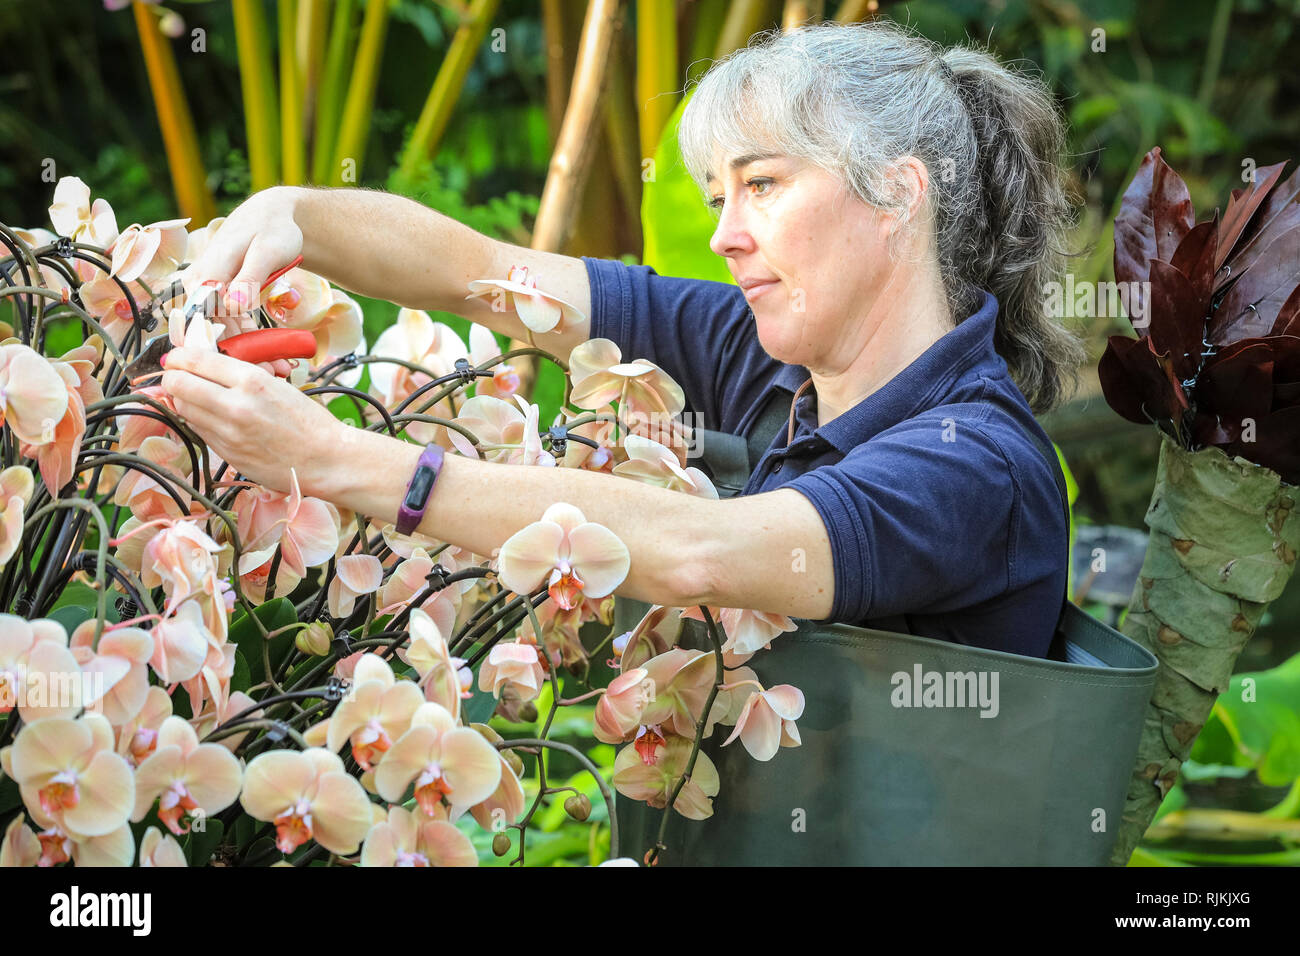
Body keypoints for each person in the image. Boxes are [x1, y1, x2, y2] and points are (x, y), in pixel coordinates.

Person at [163, 19, 1084, 660]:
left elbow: (703, 552)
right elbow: (481, 273)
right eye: (720, 198)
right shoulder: (761, 352)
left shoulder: (976, 463)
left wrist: (335, 458)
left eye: (762, 184)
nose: (726, 234)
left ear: (899, 194)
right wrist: (293, 216)